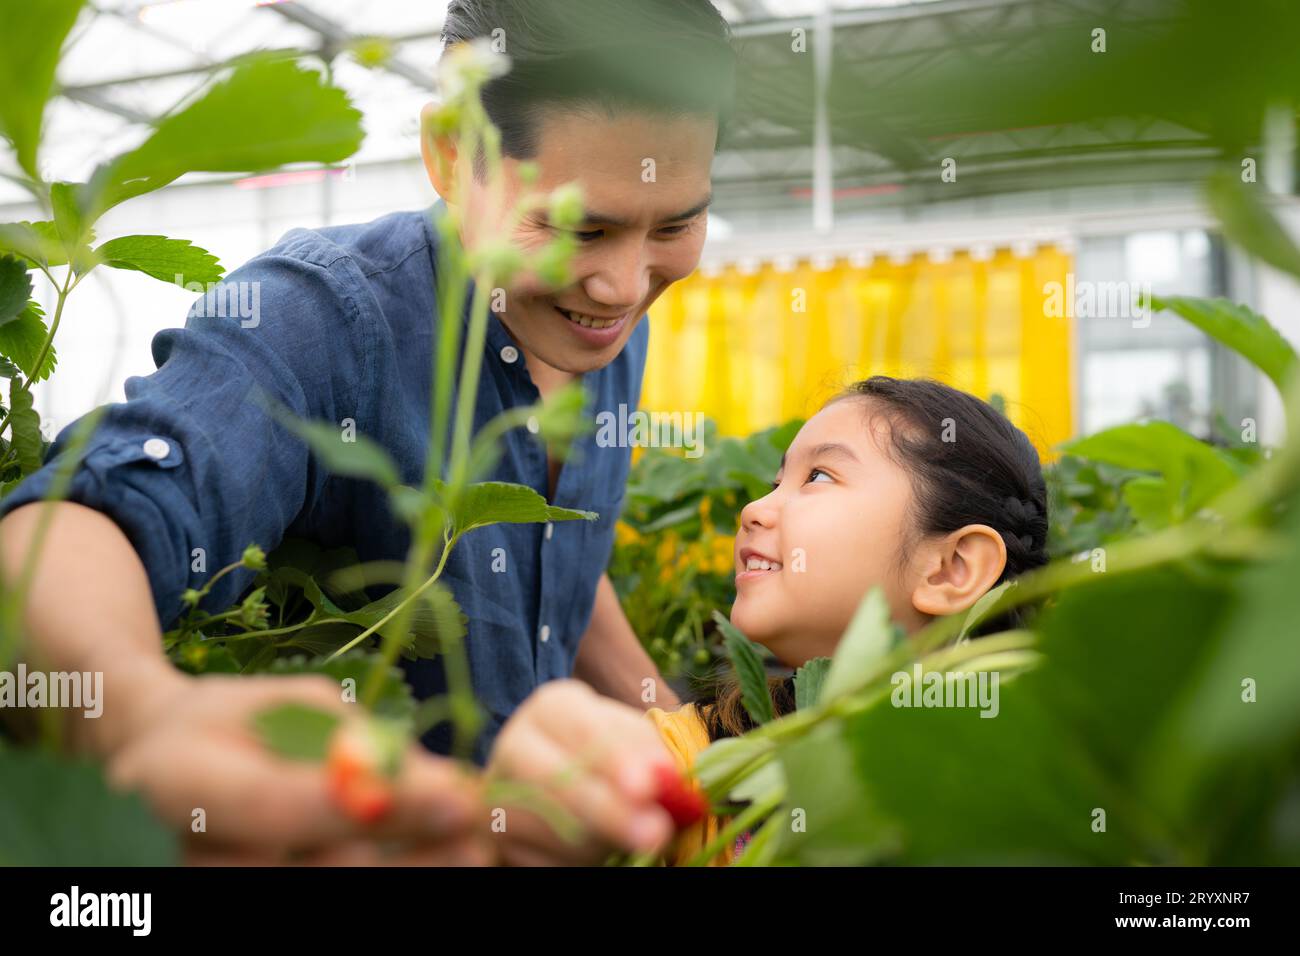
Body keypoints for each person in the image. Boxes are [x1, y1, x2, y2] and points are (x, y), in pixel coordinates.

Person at [0, 0, 734, 865]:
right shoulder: (323, 317)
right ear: (451, 154)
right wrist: (137, 719)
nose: (622, 285)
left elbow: (564, 562)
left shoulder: (606, 327)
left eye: (676, 224)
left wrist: (687, 746)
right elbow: (82, 522)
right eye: (581, 227)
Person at [490, 376, 1051, 864]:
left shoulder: (1053, 800)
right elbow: (575, 791)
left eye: (820, 477)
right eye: (777, 480)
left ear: (952, 568)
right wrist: (562, 772)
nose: (754, 509)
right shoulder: (697, 765)